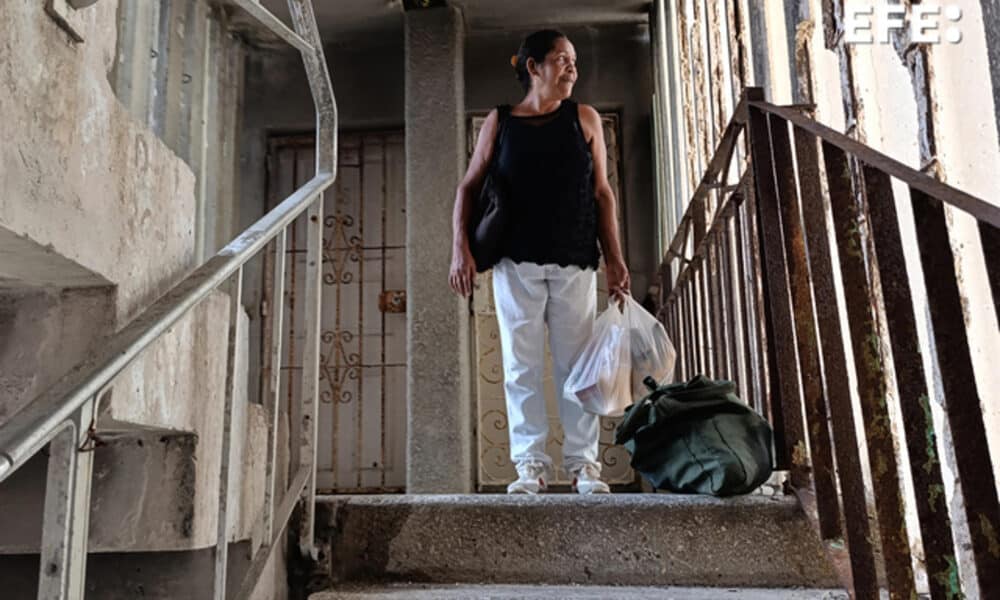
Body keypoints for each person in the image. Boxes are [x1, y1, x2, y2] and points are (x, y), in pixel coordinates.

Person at [449, 30, 630, 495]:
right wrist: (460, 249)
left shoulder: (584, 119)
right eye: (561, 60)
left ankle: (583, 467)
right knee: (520, 366)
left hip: (574, 261)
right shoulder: (500, 122)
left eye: (574, 60)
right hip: (516, 264)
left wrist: (615, 260)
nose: (572, 68)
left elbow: (602, 193)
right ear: (533, 67)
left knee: (578, 369)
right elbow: (468, 188)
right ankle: (530, 467)